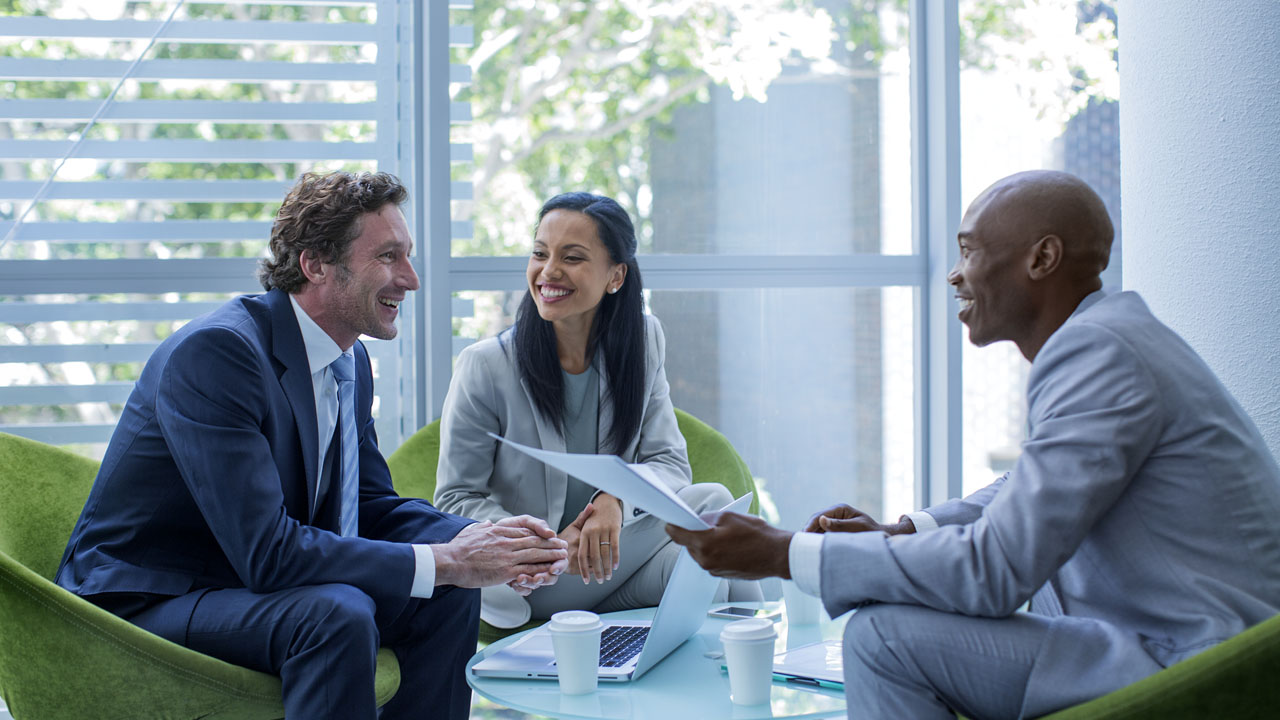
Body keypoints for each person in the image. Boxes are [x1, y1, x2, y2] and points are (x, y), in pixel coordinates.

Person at [667, 170, 1280, 719]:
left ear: (1041, 258)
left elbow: (997, 570)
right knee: (893, 625)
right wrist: (904, 531)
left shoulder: (1099, 354)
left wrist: (784, 554)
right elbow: (1024, 489)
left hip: (1195, 664)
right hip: (1166, 641)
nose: (956, 275)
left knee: (883, 639)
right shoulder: (1108, 338)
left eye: (969, 251)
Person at [55, 171, 569, 720]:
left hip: (245, 585)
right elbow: (266, 553)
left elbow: (369, 505)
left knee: (444, 592)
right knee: (337, 613)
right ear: (316, 264)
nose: (412, 279)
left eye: (408, 256)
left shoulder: (350, 360)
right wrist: (446, 560)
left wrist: (480, 541)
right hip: (153, 599)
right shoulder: (218, 356)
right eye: (389, 257)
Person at [435, 191, 758, 629]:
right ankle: (773, 657)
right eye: (539, 254)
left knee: (707, 569)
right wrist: (543, 542)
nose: (548, 272)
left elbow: (669, 462)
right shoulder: (486, 365)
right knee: (715, 504)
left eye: (572, 257)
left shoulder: (642, 341)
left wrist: (616, 500)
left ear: (615, 276)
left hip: (615, 566)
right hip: (542, 576)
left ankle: (726, 679)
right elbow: (456, 498)